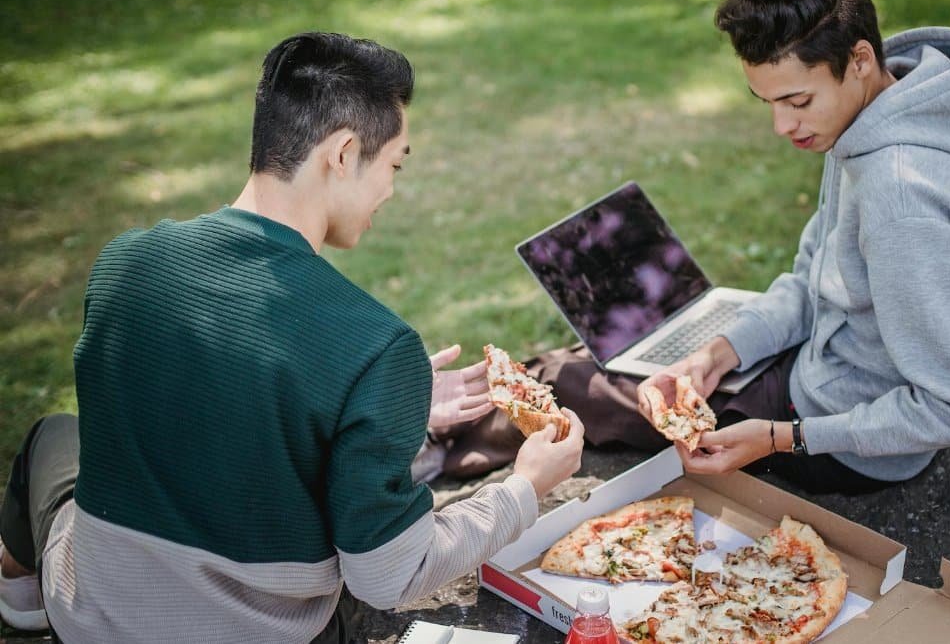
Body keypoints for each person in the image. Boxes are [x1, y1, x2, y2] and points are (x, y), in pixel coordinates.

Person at [0, 32, 584, 643]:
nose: (391, 189)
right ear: (344, 152)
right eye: (395, 164)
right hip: (259, 632)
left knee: (53, 437)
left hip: (92, 619)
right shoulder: (375, 346)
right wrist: (525, 487)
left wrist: (391, 411)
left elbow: (207, 403)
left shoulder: (123, 264)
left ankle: (18, 596)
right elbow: (388, 574)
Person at [444, 0, 950, 496]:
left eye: (797, 101)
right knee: (643, 362)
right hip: (826, 370)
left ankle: (424, 449)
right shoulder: (876, 116)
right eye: (767, 102)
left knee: (571, 381)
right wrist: (721, 352)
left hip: (837, 434)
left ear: (860, 58)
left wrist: (776, 439)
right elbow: (814, 281)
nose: (781, 125)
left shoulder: (899, 197)